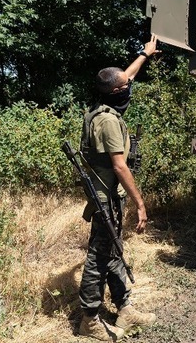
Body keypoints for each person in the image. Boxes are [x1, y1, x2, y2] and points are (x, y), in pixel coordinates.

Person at [77, 34, 160, 341]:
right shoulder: (108, 122)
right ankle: (89, 318)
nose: (130, 86)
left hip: (109, 195)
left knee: (113, 250)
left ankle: (125, 308)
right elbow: (119, 166)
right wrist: (140, 203)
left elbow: (127, 76)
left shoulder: (104, 105)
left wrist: (145, 54)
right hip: (106, 197)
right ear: (114, 92)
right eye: (125, 86)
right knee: (99, 256)